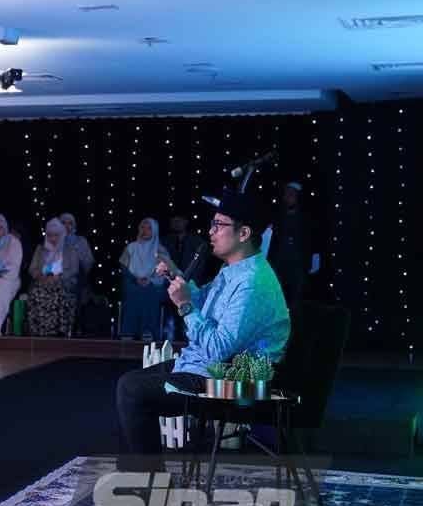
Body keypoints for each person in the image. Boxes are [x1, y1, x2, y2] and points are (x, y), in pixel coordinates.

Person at [115, 191, 290, 472]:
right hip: (207, 366)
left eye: (219, 225)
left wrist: (184, 306)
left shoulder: (253, 282)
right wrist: (176, 278)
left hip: (229, 378)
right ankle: (147, 479)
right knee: (131, 383)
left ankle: (153, 487)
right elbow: (203, 301)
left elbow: (218, 348)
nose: (211, 232)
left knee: (132, 391)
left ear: (243, 233)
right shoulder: (232, 270)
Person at [119, 218, 174, 341]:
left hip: (153, 284)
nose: (145, 231)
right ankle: (128, 331)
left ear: (154, 231)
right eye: (143, 227)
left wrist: (150, 280)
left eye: (149, 228)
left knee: (150, 292)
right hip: (133, 282)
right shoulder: (131, 247)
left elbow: (165, 270)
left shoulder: (160, 250)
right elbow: (124, 268)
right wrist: (136, 279)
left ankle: (148, 331)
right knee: (132, 290)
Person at [265, 182, 320, 305]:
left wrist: (315, 256)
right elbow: (269, 237)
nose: (288, 197)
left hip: (298, 263)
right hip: (279, 261)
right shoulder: (278, 215)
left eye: (291, 194)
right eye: (286, 194)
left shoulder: (307, 217)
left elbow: (313, 237)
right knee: (275, 295)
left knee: (296, 297)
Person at [27, 218, 79, 337]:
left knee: (57, 294)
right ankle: (40, 331)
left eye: (56, 235)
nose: (53, 239)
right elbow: (32, 268)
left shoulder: (70, 250)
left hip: (63, 282)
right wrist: (40, 275)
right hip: (43, 281)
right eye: (50, 235)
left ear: (62, 235)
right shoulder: (41, 249)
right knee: (37, 293)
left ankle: (57, 332)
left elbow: (74, 270)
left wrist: (59, 277)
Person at [59, 212, 96, 307]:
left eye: (70, 223)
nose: (67, 226)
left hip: (76, 280)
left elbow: (89, 261)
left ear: (74, 225)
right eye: (63, 223)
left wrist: (75, 250)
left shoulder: (81, 240)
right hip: (56, 278)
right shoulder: (54, 239)